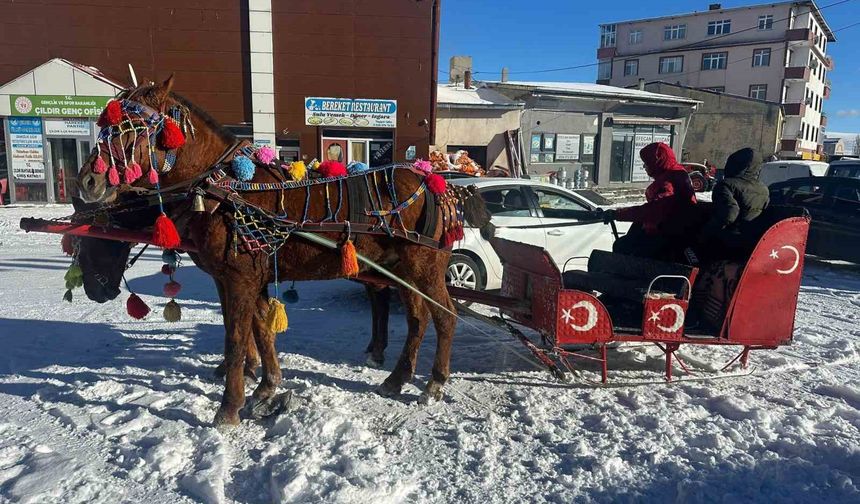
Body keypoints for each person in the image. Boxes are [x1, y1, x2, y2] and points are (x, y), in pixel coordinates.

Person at [603, 142, 698, 261]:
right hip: (672, 230)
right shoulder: (674, 175)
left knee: (625, 248)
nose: (644, 167)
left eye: (646, 163)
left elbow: (654, 211)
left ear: (656, 163)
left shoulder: (669, 182)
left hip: (670, 235)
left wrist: (618, 214)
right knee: (625, 243)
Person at [697, 147, 769, 258]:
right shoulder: (763, 188)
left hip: (727, 241)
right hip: (752, 242)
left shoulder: (726, 185)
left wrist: (706, 232)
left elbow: (729, 213)